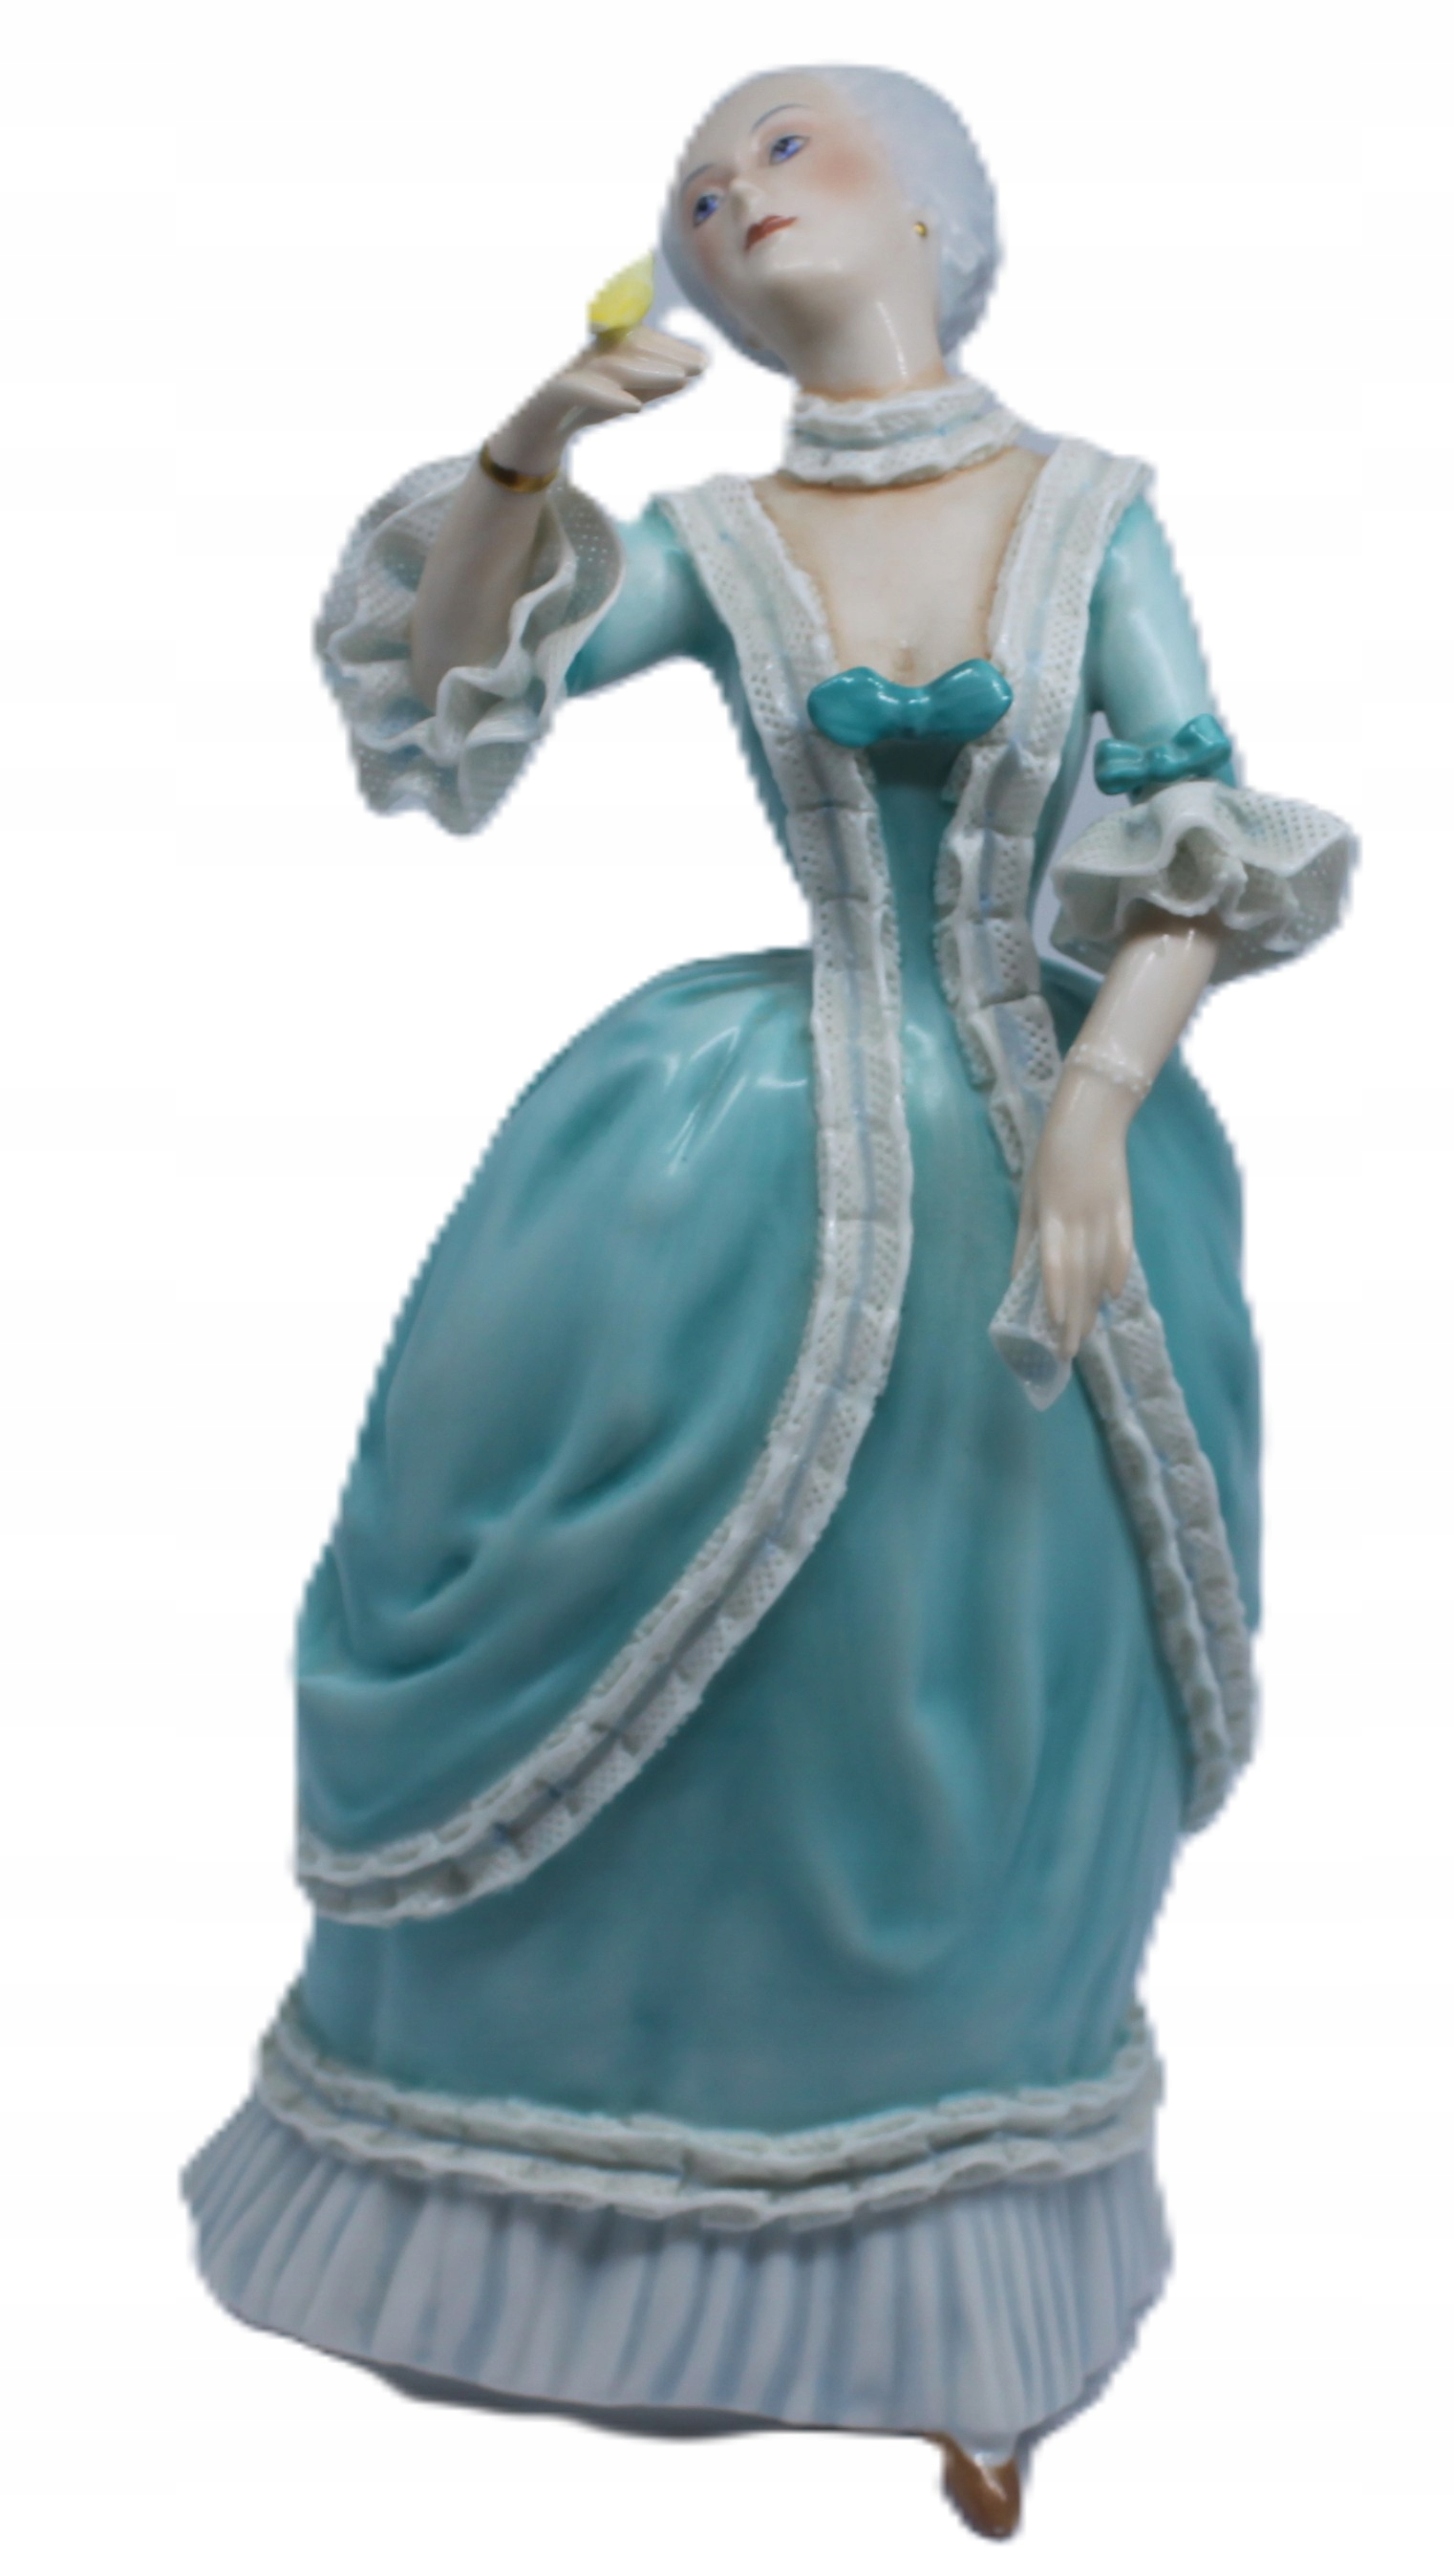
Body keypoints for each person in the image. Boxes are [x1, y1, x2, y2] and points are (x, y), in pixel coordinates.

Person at [185, 65, 1353, 2540]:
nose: (732, 191)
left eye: (787, 146)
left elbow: (1197, 834)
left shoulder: (1088, 510)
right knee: (595, 1590)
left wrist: (1091, 1107)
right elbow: (463, 707)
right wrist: (529, 445)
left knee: (969, 1672)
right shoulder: (719, 537)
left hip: (1034, 1145)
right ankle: (535, 2208)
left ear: (935, 211)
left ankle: (937, 2257)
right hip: (726, 1151)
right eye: (698, 183)